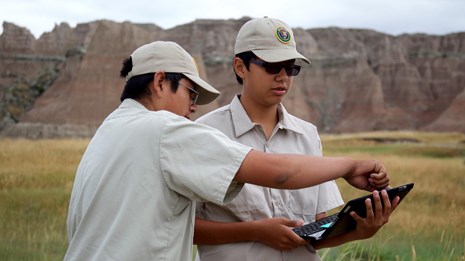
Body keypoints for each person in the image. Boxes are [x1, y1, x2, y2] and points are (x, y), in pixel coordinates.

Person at [64, 41, 395, 261]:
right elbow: (281, 173)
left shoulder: (106, 133)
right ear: (161, 81)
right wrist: (351, 165)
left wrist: (357, 229)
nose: (192, 109)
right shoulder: (166, 129)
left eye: (290, 67)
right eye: (191, 94)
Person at [194, 17, 397, 261]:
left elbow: (316, 231)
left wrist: (362, 230)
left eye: (290, 68)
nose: (283, 77)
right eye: (272, 66)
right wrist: (254, 232)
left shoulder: (308, 135)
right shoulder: (204, 132)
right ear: (240, 67)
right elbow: (186, 227)